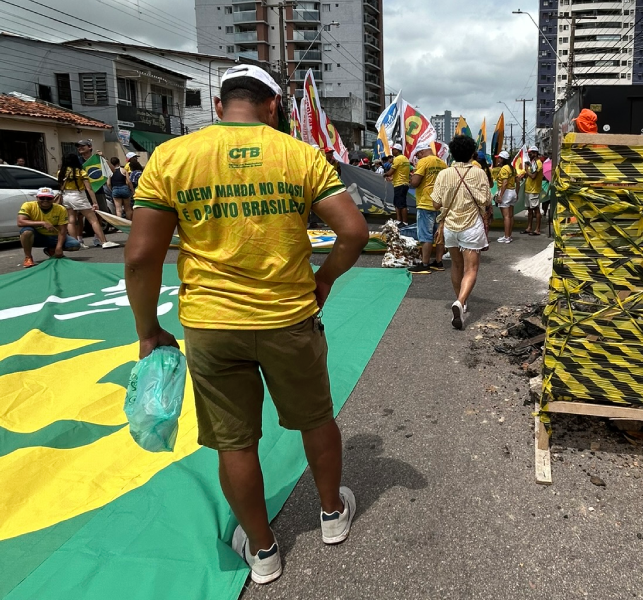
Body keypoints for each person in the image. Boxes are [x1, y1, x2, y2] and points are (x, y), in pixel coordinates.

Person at [124, 64, 368, 585]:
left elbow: (141, 257)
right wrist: (322, 283)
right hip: (290, 319)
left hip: (212, 326)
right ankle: (330, 517)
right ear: (274, 107)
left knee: (235, 443)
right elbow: (353, 232)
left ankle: (263, 551)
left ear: (218, 106)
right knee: (315, 419)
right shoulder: (300, 155)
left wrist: (149, 330)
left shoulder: (171, 157)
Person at [432, 135, 491, 329]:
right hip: (471, 227)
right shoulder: (479, 173)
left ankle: (461, 303)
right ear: (472, 153)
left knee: (456, 267)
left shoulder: (444, 174)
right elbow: (486, 200)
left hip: (450, 227)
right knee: (471, 269)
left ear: (452, 153)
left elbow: (435, 204)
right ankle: (460, 301)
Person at [57, 153, 119, 249]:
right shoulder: (81, 172)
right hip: (78, 196)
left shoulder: (60, 172)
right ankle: (104, 241)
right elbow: (89, 189)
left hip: (66, 196)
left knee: (71, 221)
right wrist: (94, 202)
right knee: (93, 220)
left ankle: (75, 243)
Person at [408, 143, 448, 274]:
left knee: (426, 235)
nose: (418, 157)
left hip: (426, 202)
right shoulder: (442, 163)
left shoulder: (424, 162)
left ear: (421, 152)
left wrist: (411, 178)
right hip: (440, 203)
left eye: (417, 154)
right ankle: (438, 261)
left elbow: (415, 183)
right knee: (439, 235)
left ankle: (425, 264)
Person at [17, 186, 79, 268]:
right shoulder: (28, 205)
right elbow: (20, 222)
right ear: (37, 198)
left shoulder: (61, 209)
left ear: (53, 199)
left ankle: (52, 249)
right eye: (42, 198)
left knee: (74, 245)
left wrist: (59, 247)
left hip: (54, 236)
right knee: (26, 232)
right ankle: (28, 257)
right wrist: (42, 223)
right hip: (37, 236)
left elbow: (63, 230)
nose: (45, 200)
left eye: (48, 198)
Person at [75, 139, 112, 214]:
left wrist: (103, 157)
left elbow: (112, 170)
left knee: (101, 212)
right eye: (78, 146)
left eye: (82, 146)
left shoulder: (98, 158)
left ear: (90, 147)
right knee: (82, 214)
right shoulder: (76, 161)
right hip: (82, 191)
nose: (80, 148)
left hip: (98, 190)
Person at [494, 151, 518, 243]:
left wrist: (500, 196)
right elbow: (518, 181)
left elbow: (504, 183)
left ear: (502, 159)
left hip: (506, 192)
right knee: (510, 216)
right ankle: (509, 235)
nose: (498, 159)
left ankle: (507, 237)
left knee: (506, 217)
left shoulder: (504, 168)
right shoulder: (512, 168)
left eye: (499, 158)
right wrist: (517, 193)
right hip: (512, 191)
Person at [384, 143, 410, 225]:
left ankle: (405, 222)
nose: (392, 151)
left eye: (393, 149)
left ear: (397, 150)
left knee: (401, 204)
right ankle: (399, 220)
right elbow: (401, 173)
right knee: (397, 203)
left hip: (400, 184)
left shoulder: (397, 159)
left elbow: (391, 172)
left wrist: (385, 174)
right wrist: (392, 178)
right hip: (403, 183)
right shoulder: (405, 159)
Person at [520, 146, 543, 235]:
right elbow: (529, 175)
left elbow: (533, 176)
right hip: (528, 189)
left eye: (530, 153)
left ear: (535, 153)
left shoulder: (538, 163)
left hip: (534, 190)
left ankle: (537, 229)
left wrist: (526, 170)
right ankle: (529, 227)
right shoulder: (532, 163)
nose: (529, 155)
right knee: (529, 210)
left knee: (536, 209)